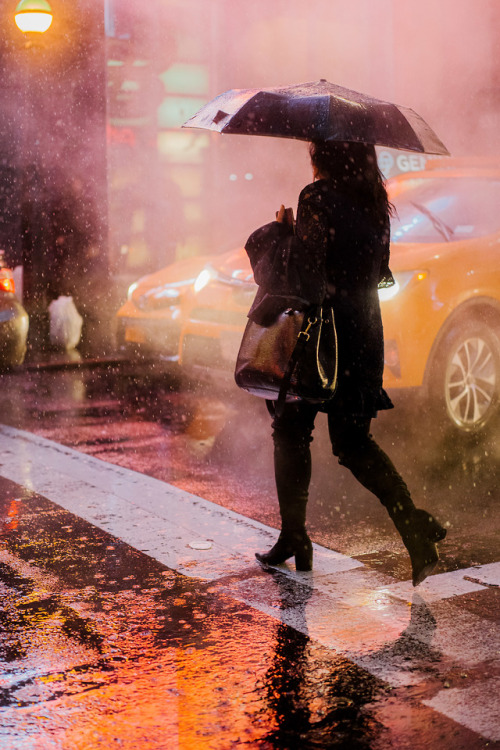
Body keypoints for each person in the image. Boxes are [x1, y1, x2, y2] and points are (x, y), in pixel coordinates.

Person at [249, 140, 447, 586]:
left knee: (291, 428)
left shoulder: (315, 197)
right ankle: (413, 526)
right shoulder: (376, 202)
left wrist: (282, 233)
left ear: (326, 153)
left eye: (314, 147)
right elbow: (376, 268)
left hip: (320, 335)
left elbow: (307, 279)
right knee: (353, 443)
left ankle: (295, 537)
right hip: (362, 334)